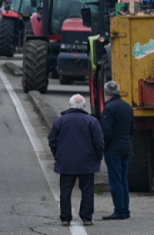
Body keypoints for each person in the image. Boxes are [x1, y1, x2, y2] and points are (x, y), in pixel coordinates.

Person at [48, 94, 104, 227]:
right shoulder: (92, 121)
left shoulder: (60, 121)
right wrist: (97, 157)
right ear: (84, 106)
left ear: (70, 105)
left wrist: (58, 155)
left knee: (65, 191)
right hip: (87, 162)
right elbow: (99, 142)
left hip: (66, 162)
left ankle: (65, 218)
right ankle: (86, 217)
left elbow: (52, 141)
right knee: (87, 191)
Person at [101, 80, 135, 220]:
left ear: (106, 92)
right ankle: (125, 209)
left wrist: (103, 146)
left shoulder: (109, 108)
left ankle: (119, 210)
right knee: (123, 179)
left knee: (115, 180)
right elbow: (132, 129)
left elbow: (106, 132)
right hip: (126, 146)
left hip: (113, 148)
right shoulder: (127, 106)